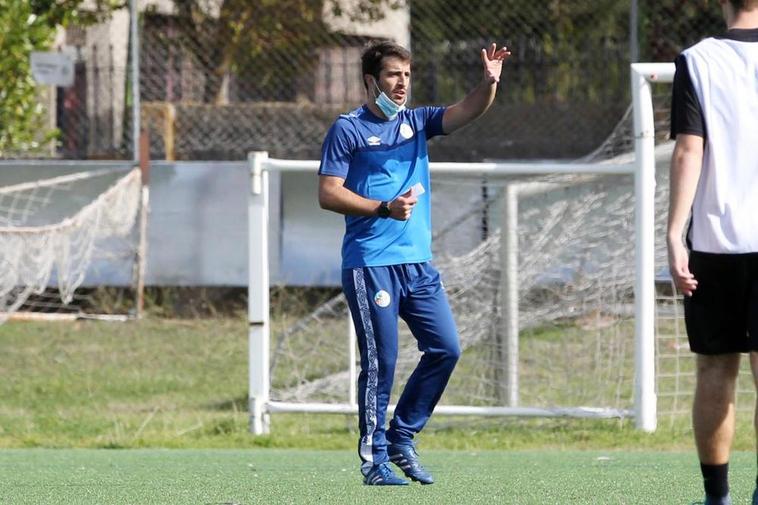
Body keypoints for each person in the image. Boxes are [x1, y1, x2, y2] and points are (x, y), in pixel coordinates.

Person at [317, 40, 510, 485]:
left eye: (406, 74)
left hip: (418, 265)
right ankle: (374, 460)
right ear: (371, 81)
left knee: (446, 348)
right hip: (371, 264)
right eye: (392, 75)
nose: (402, 83)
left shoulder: (417, 122)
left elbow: (468, 109)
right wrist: (383, 207)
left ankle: (402, 436)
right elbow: (329, 193)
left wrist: (489, 82)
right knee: (382, 362)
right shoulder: (347, 129)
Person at [667, 1, 758, 504]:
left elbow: (689, 149)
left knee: (715, 369)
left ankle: (717, 498)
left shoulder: (698, 59)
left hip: (717, 239)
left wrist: (674, 233)